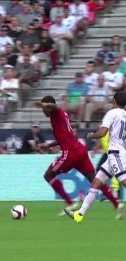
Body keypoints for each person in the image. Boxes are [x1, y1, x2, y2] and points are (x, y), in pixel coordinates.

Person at [34, 95, 119, 217]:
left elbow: (55, 107)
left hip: (71, 152)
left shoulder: (57, 112)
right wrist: (49, 146)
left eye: (44, 108)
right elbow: (64, 137)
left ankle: (70, 203)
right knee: (94, 179)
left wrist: (44, 104)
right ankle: (116, 204)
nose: (43, 111)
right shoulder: (57, 117)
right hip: (79, 150)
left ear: (48, 106)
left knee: (48, 175)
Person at [66, 91, 126, 222]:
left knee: (124, 180)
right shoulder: (124, 115)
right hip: (115, 153)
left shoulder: (112, 113)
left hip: (116, 153)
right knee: (96, 182)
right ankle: (79, 214)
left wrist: (90, 135)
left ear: (114, 101)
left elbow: (102, 133)